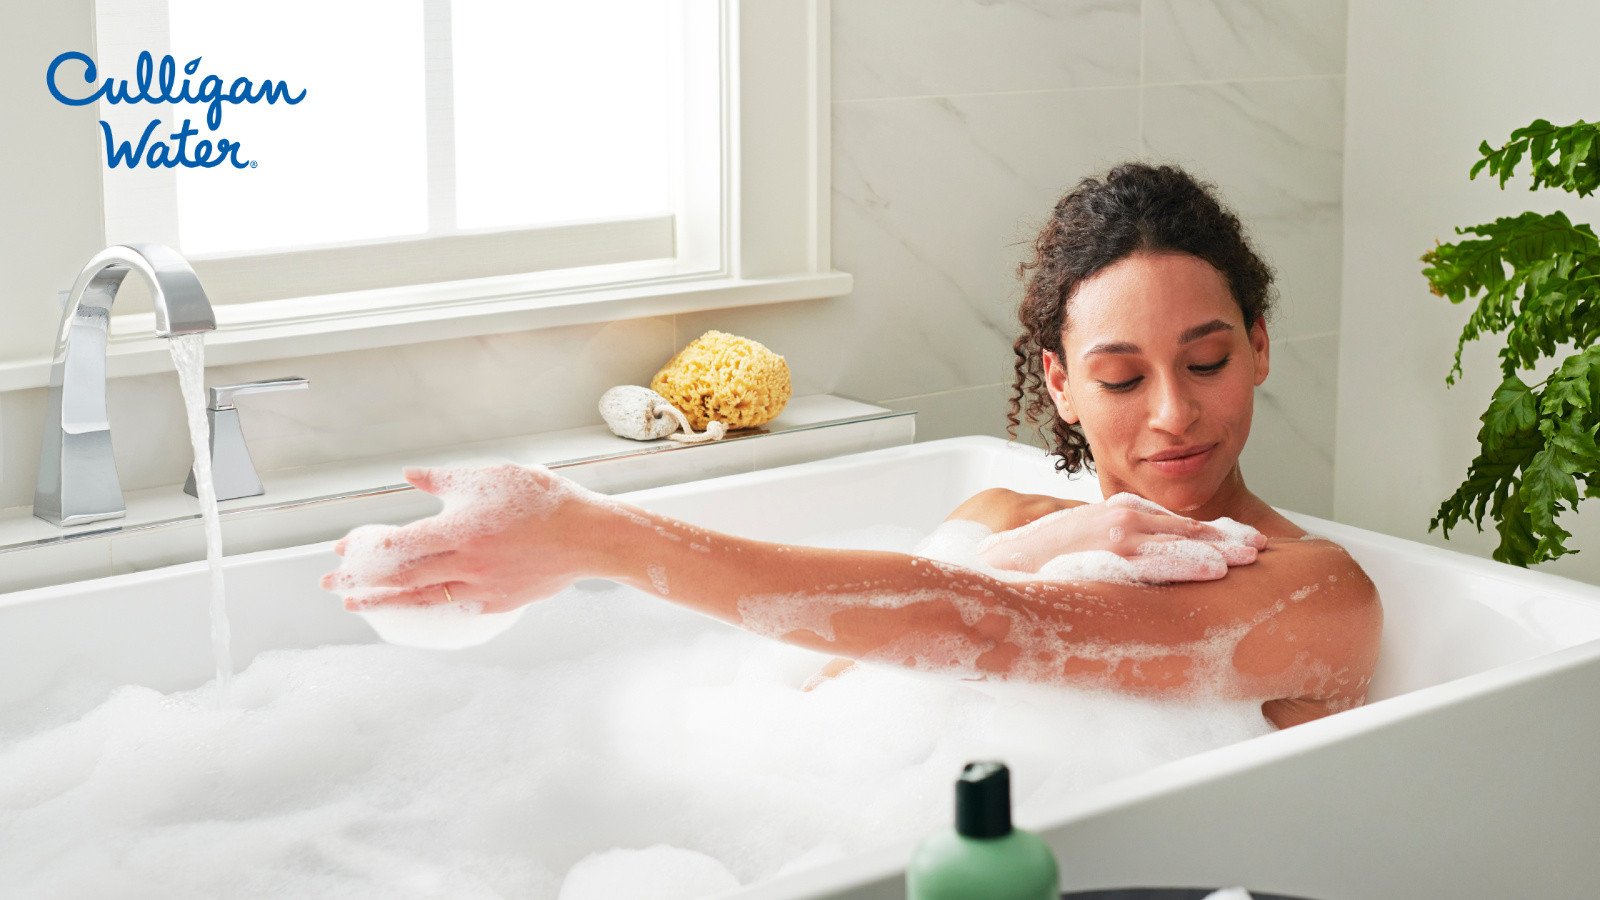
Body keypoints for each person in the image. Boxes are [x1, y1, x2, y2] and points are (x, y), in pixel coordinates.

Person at [321, 163, 1382, 730]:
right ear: (1059, 388)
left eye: (1204, 363)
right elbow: (821, 683)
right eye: (1117, 377)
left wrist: (594, 534)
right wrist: (1036, 548)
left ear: (1258, 349)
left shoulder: (1316, 590)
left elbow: (987, 629)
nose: (1171, 415)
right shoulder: (1004, 519)